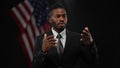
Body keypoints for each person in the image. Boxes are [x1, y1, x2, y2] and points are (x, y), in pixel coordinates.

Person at [32, 3, 99, 68]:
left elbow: (93, 62)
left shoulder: (77, 38)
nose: (61, 19)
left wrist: (91, 44)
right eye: (58, 16)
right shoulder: (41, 39)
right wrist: (43, 51)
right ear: (50, 20)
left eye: (64, 16)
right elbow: (35, 66)